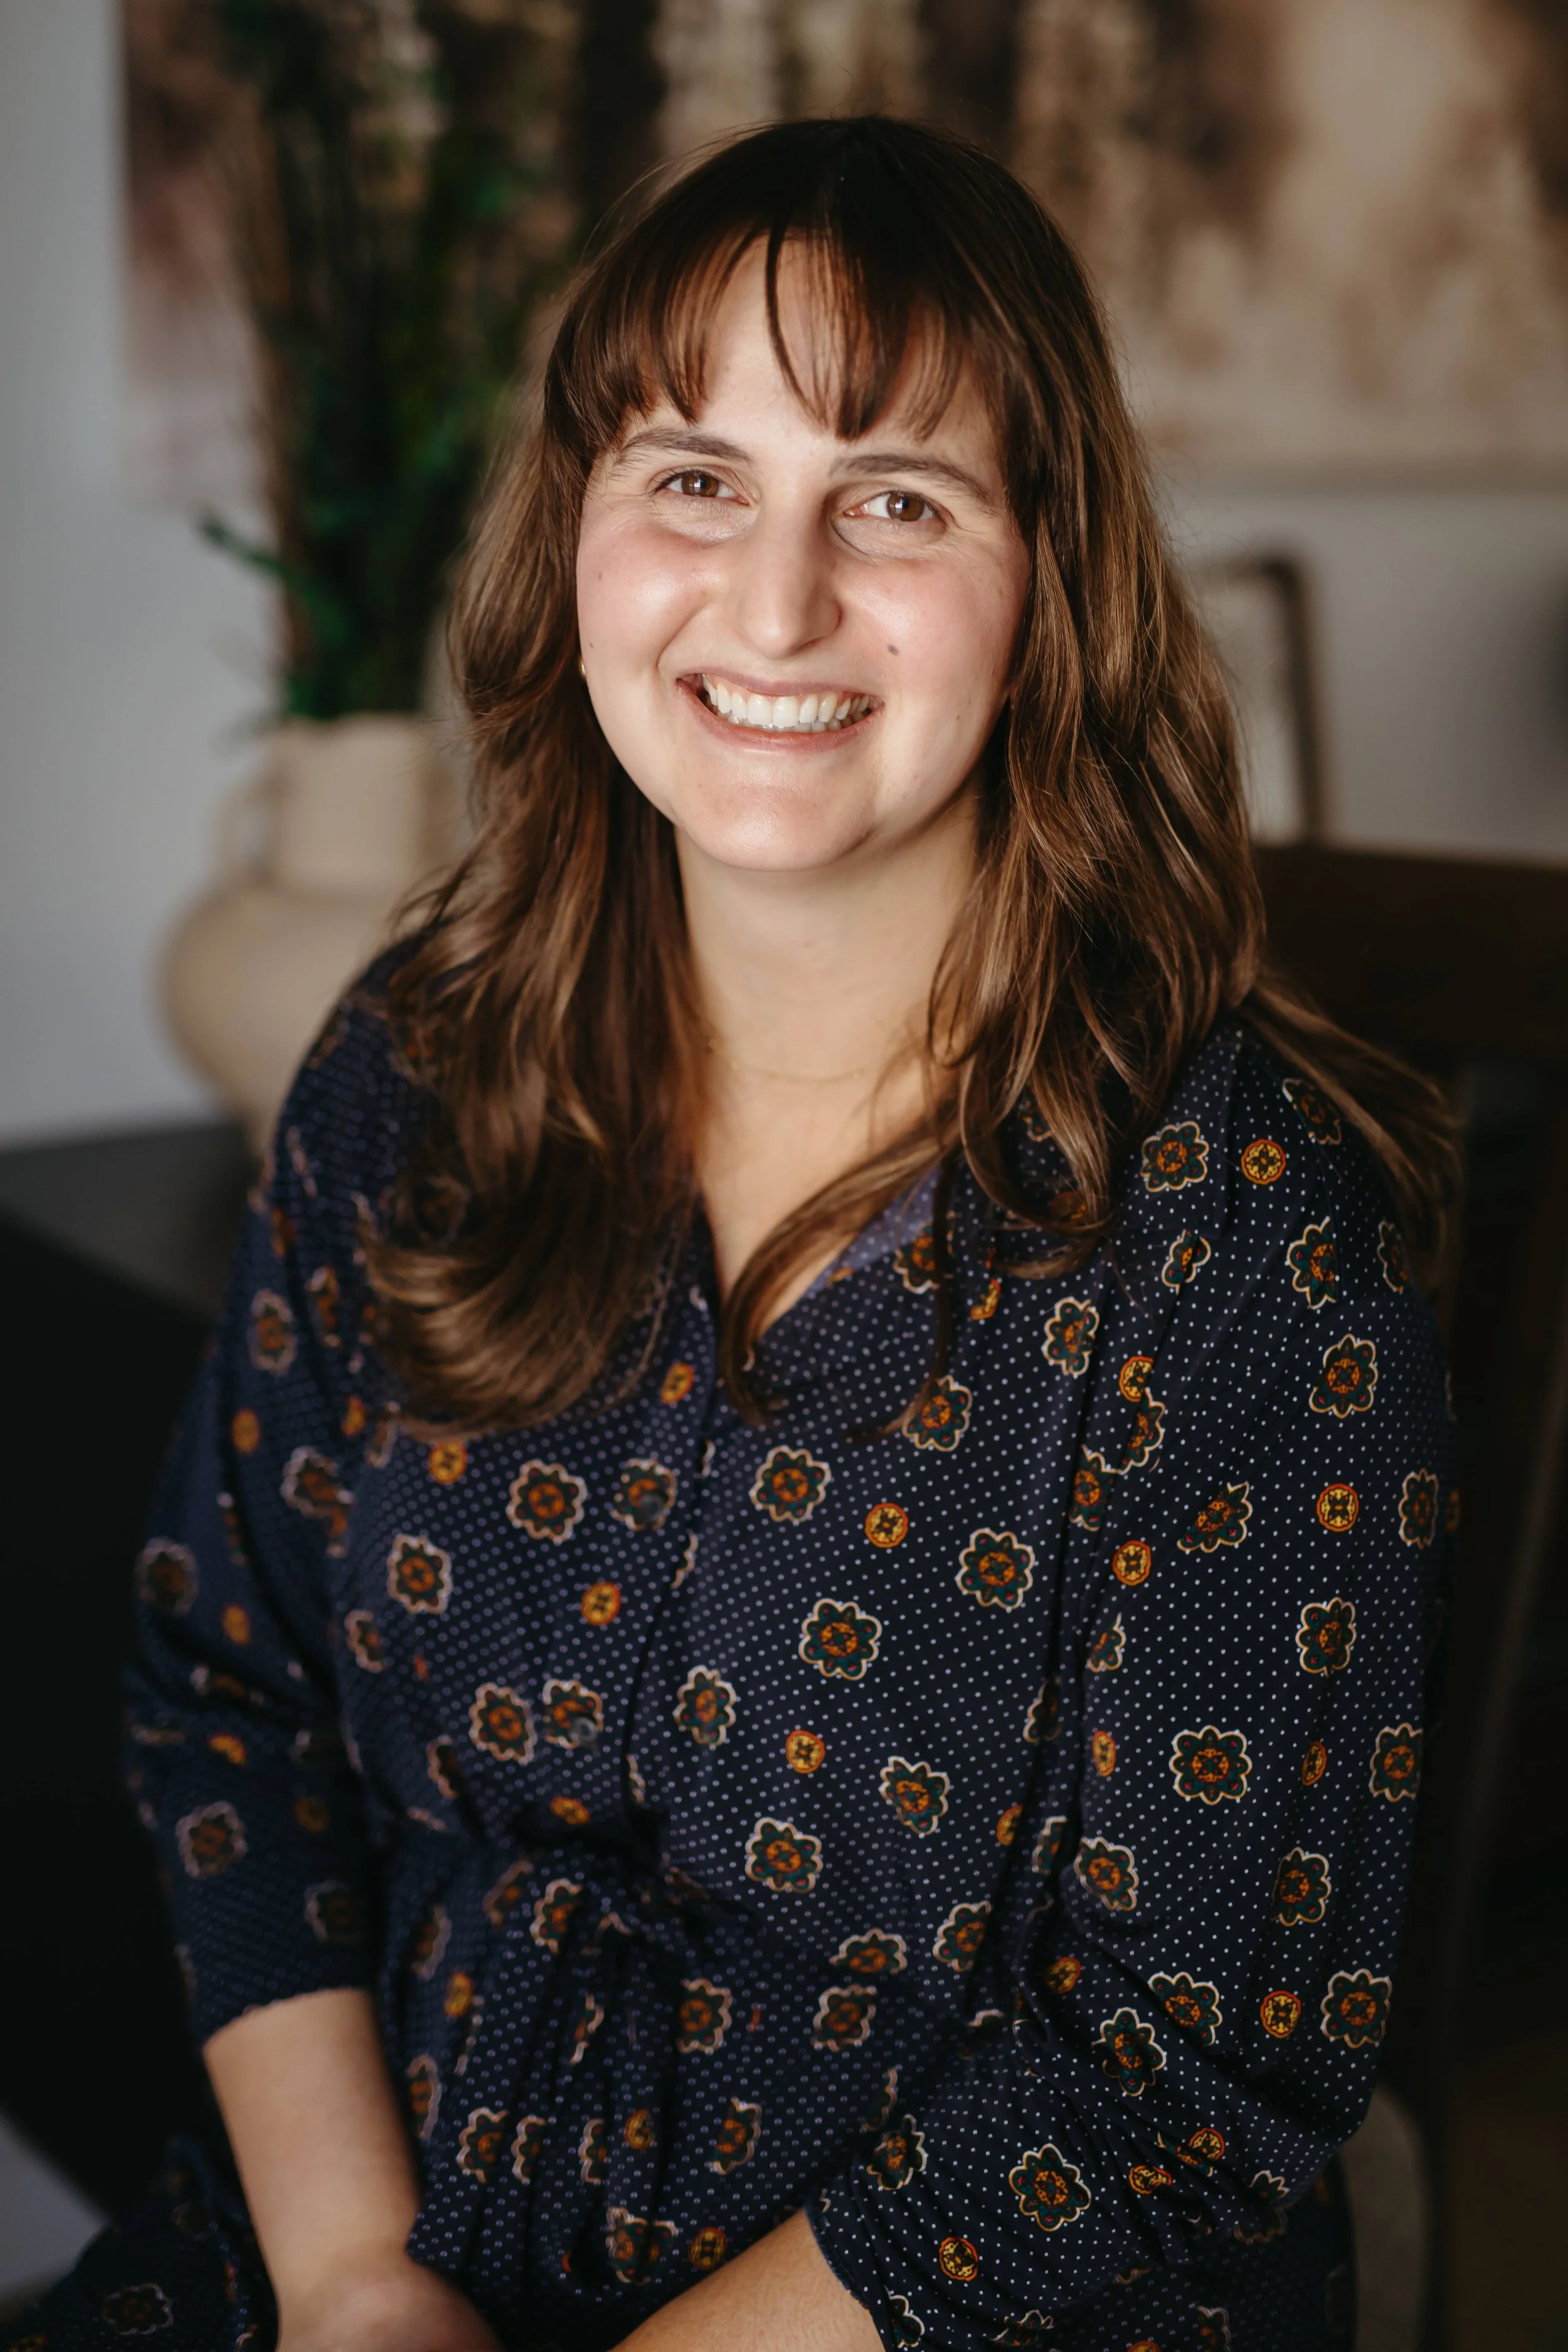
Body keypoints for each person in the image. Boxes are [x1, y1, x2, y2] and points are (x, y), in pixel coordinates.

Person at [13, 116, 1455, 2352]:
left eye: (894, 499)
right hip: (363, 2253)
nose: (772, 603)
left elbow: (1174, 2067)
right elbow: (228, 1700)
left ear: (1048, 574)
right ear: (573, 530)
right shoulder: (410, 1065)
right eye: (693, 473)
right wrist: (354, 2288)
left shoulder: (1247, 1238)